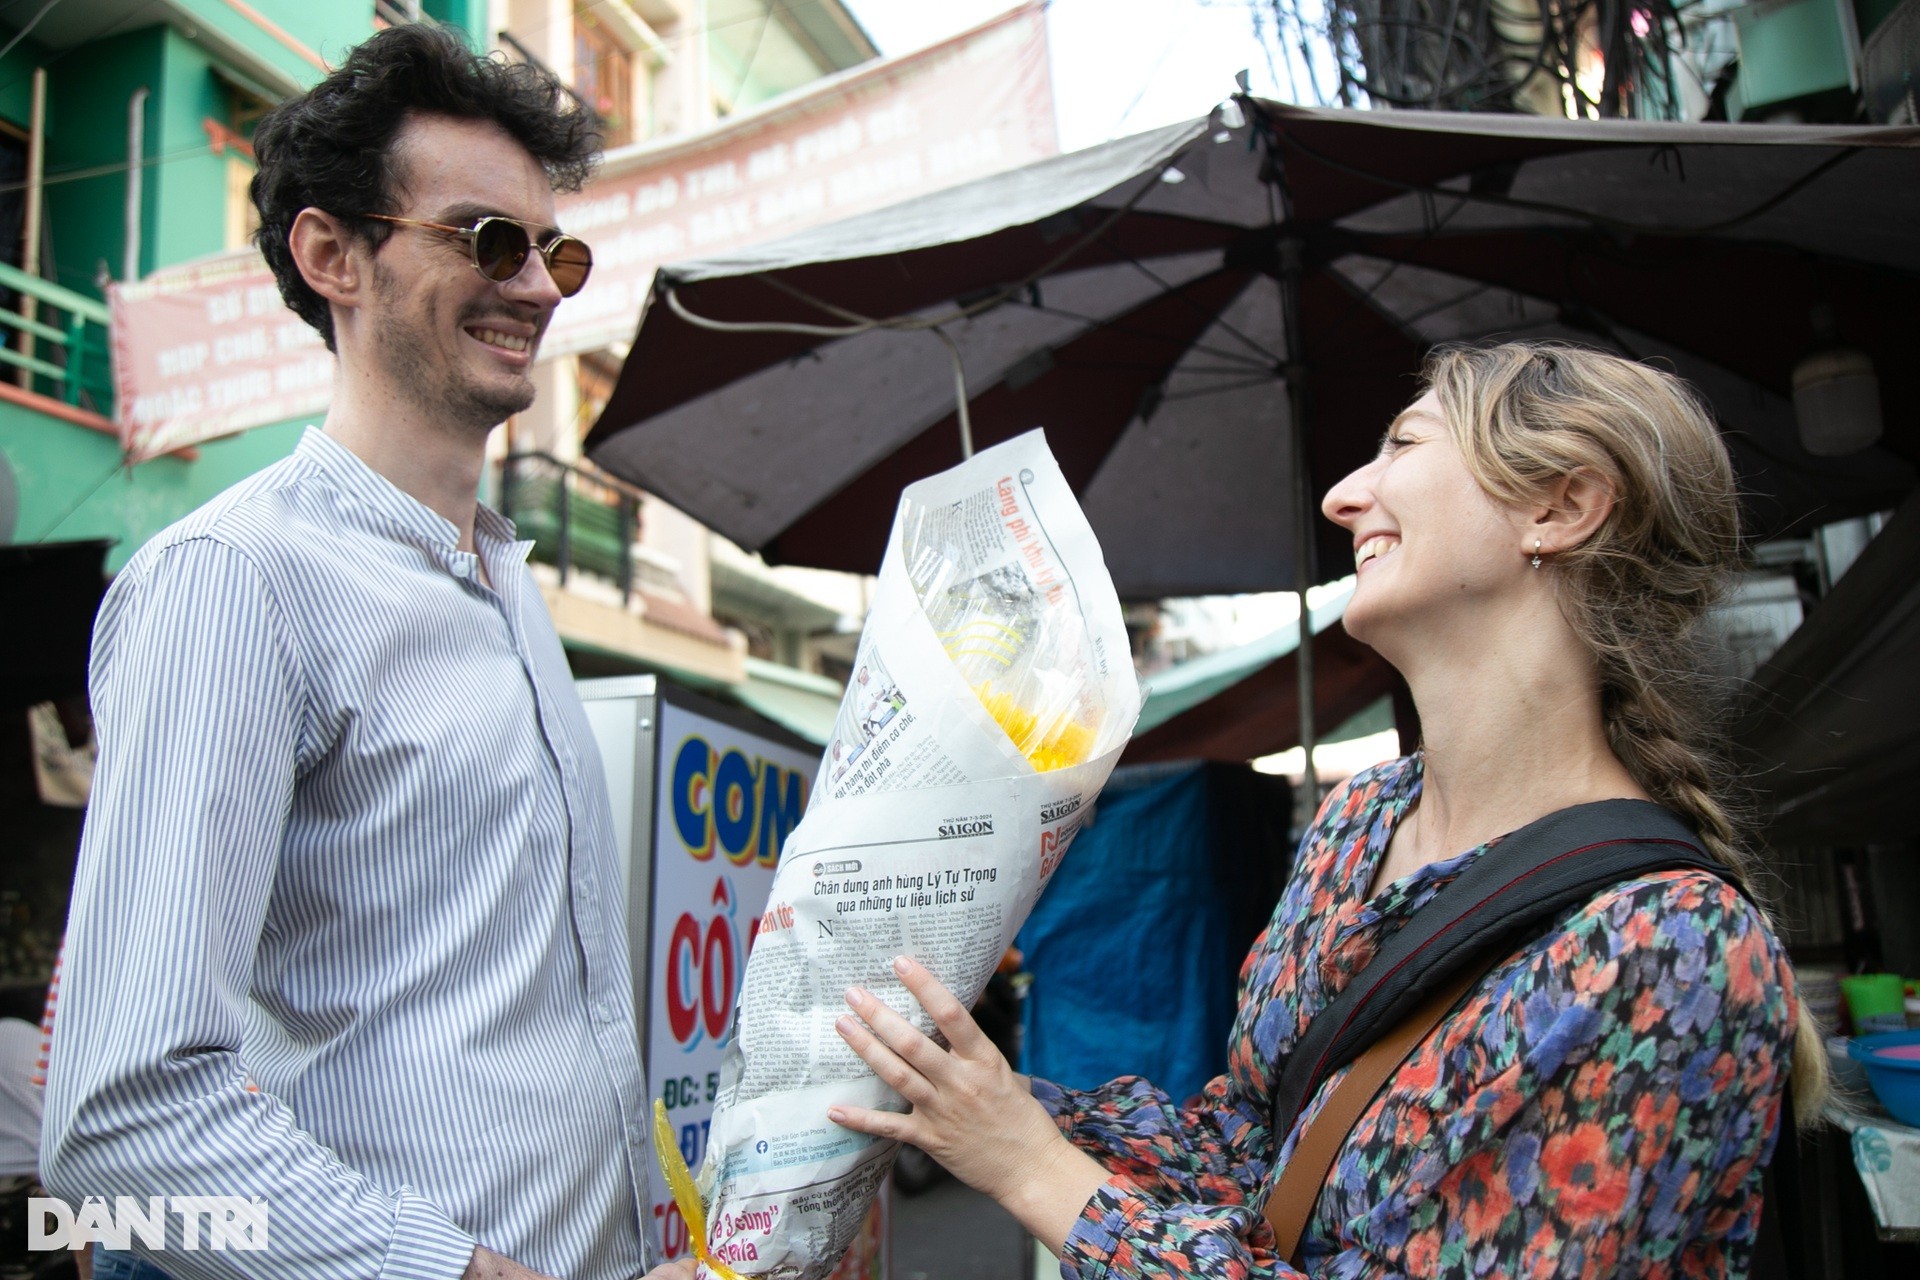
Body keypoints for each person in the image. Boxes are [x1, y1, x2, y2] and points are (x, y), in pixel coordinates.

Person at [826, 342, 1828, 1278]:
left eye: (1402, 443)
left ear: (1562, 507)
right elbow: (1254, 1151)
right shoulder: (1360, 825)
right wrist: (977, 1098)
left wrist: (1040, 1174)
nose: (1344, 496)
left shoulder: (1669, 944)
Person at [41, 25, 683, 1280]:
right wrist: (446, 1268)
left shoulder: (505, 583)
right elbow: (121, 1122)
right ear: (333, 254)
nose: (545, 289)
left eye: (556, 251)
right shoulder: (236, 584)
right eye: (489, 241)